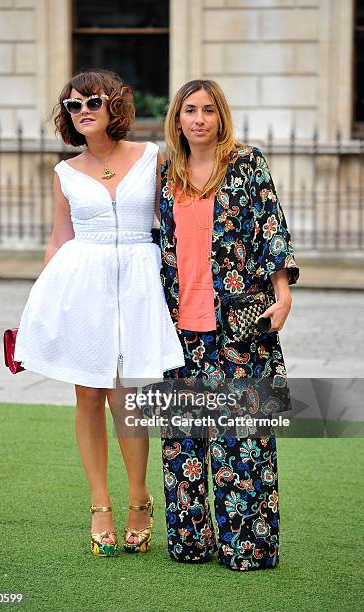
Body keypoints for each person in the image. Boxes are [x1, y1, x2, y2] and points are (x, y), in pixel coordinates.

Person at [14, 69, 184, 557]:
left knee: (126, 395)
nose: (83, 110)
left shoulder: (152, 158)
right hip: (81, 283)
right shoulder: (64, 172)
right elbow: (59, 238)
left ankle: (138, 497)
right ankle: (99, 504)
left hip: (139, 280)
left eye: (92, 101)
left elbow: (171, 223)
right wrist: (40, 307)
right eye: (73, 105)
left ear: (114, 105)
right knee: (88, 392)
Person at [158, 79, 299, 570]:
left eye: (208, 111)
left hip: (242, 323)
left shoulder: (246, 163)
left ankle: (249, 547)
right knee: (183, 441)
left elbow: (271, 229)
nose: (199, 119)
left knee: (246, 438)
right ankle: (191, 543)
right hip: (178, 327)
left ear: (221, 117)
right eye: (190, 110)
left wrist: (282, 295)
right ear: (177, 118)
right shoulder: (166, 175)